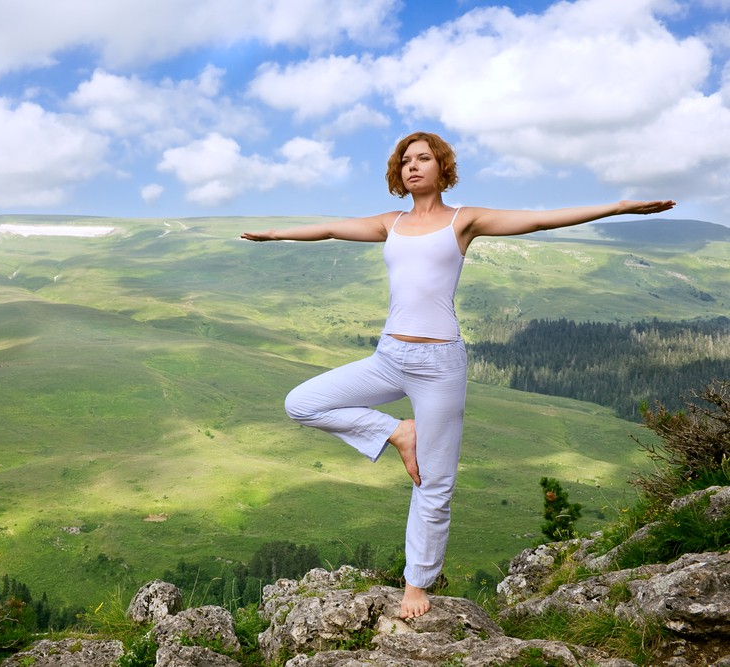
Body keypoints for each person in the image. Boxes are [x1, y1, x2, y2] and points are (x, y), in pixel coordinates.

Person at [240, 131, 675, 620]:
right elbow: (332, 230)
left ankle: (416, 585)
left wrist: (615, 207)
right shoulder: (392, 223)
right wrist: (274, 234)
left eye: (423, 158)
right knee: (302, 402)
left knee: (435, 479)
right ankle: (398, 433)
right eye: (405, 161)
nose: (413, 166)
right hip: (389, 356)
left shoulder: (462, 221)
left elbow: (537, 219)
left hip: (439, 364)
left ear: (441, 167)